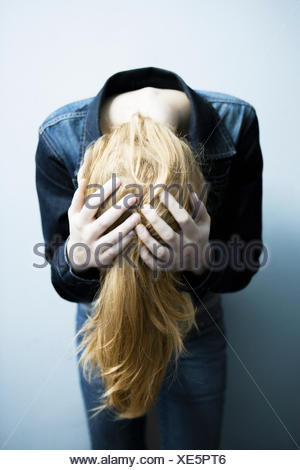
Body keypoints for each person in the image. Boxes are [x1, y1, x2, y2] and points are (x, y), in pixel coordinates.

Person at [35, 66, 264, 450]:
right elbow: (62, 278)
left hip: (197, 322)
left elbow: (247, 260)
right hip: (104, 317)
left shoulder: (237, 125)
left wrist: (201, 259)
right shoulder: (59, 139)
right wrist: (77, 258)